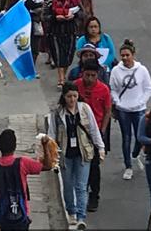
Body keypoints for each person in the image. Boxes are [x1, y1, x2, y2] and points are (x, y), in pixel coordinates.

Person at [52, 82, 104, 231]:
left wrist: (100, 148)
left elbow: (93, 129)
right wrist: (50, 154)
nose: (72, 99)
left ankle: (81, 216)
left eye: (75, 96)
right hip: (65, 154)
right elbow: (52, 134)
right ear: (64, 97)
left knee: (81, 186)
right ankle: (71, 211)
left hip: (83, 153)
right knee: (68, 186)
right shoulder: (58, 113)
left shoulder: (85, 109)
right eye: (69, 96)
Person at [110, 39, 151, 182]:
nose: (125, 58)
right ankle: (128, 166)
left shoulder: (142, 70)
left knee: (140, 136)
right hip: (123, 109)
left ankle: (135, 154)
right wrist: (118, 102)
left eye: (127, 55)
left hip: (139, 109)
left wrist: (141, 102)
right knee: (126, 137)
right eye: (122, 55)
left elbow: (148, 89)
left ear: (133, 55)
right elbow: (113, 89)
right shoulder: (116, 71)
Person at [76, 60, 111, 214]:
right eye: (87, 75)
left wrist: (102, 131)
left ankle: (94, 195)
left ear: (98, 75)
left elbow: (107, 111)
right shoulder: (76, 85)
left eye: (93, 75)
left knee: (94, 167)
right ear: (82, 73)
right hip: (77, 132)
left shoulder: (103, 89)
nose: (89, 79)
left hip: (95, 133)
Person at [49, 0, 81, 87]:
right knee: (59, 56)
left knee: (69, 57)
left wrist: (74, 16)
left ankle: (64, 75)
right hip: (56, 32)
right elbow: (44, 16)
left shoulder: (74, 0)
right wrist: (55, 17)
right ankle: (61, 79)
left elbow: (82, 13)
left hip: (70, 31)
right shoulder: (50, 1)